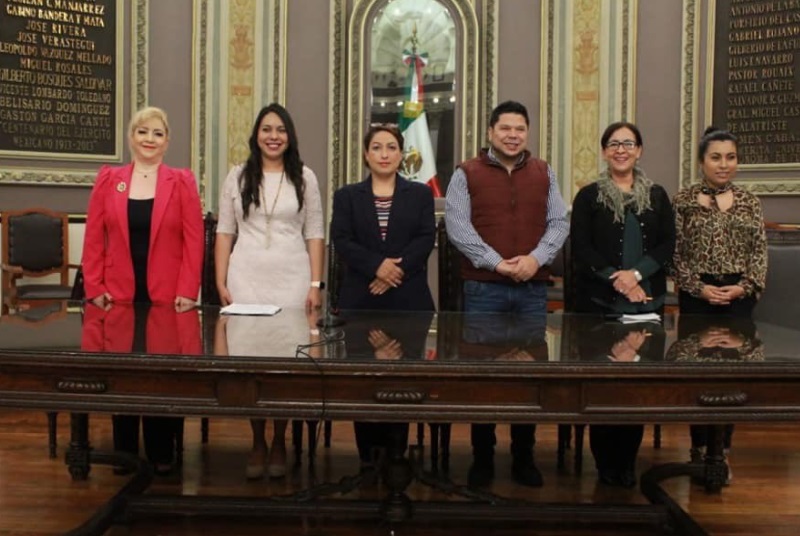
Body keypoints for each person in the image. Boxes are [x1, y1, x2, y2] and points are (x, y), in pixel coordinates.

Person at [444, 100, 569, 488]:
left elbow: (558, 222)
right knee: (486, 377)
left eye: (519, 129)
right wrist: (497, 263)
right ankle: (483, 458)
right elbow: (457, 226)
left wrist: (535, 260)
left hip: (532, 289)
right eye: (505, 129)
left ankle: (523, 457)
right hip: (484, 289)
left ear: (527, 133)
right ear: (490, 133)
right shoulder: (466, 173)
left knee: (528, 375)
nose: (513, 135)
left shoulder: (544, 173)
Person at [82, 106, 204, 475]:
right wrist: (95, 287)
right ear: (131, 137)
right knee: (123, 373)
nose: (150, 139)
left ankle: (161, 452)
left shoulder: (181, 181)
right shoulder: (109, 179)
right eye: (143, 132)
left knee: (160, 375)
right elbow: (93, 238)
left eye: (158, 133)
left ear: (167, 141)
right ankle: (124, 456)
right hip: (117, 295)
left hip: (168, 297)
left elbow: (193, 240)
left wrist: (188, 289)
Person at [215, 103, 325, 480]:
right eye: (266, 129)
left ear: (289, 136)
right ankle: (257, 439)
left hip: (292, 278)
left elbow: (314, 232)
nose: (273, 136)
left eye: (280, 129)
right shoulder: (237, 176)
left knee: (284, 364)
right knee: (250, 364)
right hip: (245, 277)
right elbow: (224, 232)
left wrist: (314, 284)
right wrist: (220, 279)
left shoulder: (305, 178)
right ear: (256, 135)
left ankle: (280, 439)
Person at [570, 121, 675, 487]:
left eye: (628, 143)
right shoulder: (589, 196)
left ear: (639, 150)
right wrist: (618, 277)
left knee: (635, 390)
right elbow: (581, 248)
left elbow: (667, 245)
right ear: (603, 151)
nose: (621, 149)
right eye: (613, 144)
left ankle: (627, 463)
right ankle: (604, 465)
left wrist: (637, 275)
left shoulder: (658, 196)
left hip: (647, 303)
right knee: (604, 387)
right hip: (601, 303)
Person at [331, 123, 435, 469]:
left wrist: (393, 273)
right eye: (377, 147)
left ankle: (395, 453)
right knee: (364, 379)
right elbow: (342, 240)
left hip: (408, 302)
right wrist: (377, 267)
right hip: (361, 300)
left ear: (401, 154)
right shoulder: (347, 196)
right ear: (366, 154)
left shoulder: (419, 195)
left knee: (401, 379)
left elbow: (424, 238)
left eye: (391, 147)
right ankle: (367, 457)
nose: (385, 154)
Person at [672, 126, 767, 480]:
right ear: (701, 162)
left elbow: (759, 253)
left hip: (738, 299)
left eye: (730, 157)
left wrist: (743, 287)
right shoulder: (683, 200)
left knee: (731, 376)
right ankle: (698, 447)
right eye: (715, 157)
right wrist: (699, 288)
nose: (723, 164)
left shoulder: (749, 202)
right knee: (699, 376)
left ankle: (722, 451)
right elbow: (675, 254)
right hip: (698, 297)